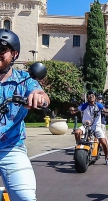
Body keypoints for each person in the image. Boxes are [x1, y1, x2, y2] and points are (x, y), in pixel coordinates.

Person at [0, 29, 50, 200]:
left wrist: (38, 98)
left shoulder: (24, 79)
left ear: (14, 54)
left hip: (11, 148)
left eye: (2, 50)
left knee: (25, 197)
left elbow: (42, 95)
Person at [69, 90, 108, 166]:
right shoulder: (84, 105)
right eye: (89, 95)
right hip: (86, 126)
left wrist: (107, 111)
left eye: (93, 95)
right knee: (77, 132)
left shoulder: (99, 105)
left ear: (95, 97)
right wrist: (72, 110)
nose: (91, 97)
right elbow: (75, 111)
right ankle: (78, 147)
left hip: (96, 127)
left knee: (104, 143)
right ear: (87, 97)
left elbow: (105, 111)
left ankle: (107, 158)